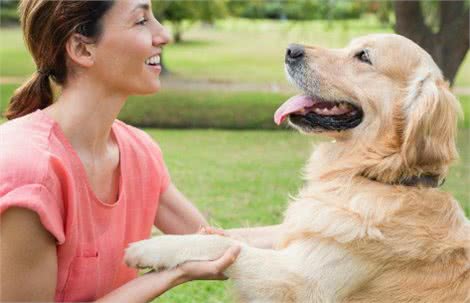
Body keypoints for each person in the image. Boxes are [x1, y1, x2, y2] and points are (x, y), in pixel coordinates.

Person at [0, 0, 282, 302]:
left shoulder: (138, 152)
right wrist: (172, 273)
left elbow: (211, 245)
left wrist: (324, 228)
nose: (163, 35)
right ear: (82, 49)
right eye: (141, 20)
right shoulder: (30, 169)